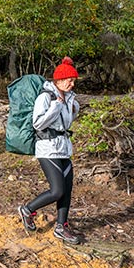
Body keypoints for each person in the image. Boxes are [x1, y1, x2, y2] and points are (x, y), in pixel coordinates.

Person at [17, 57, 82, 244]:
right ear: (58, 80)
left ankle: (61, 227)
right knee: (57, 191)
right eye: (69, 80)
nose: (72, 83)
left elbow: (65, 123)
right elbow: (38, 123)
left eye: (74, 80)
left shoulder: (69, 98)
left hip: (63, 148)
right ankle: (27, 210)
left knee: (67, 190)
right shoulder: (45, 97)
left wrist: (72, 107)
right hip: (47, 149)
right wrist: (57, 106)